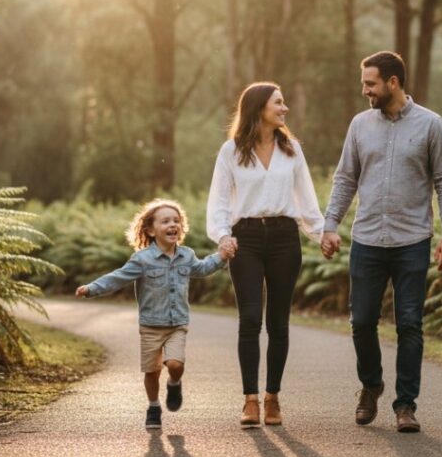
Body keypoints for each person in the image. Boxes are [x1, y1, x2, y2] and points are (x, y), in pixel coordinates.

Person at [321, 51, 442, 434]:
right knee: (361, 321)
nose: (365, 90)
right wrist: (330, 224)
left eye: (370, 84)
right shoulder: (360, 125)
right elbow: (345, 178)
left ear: (393, 82)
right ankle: (371, 384)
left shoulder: (431, 125)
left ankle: (405, 405)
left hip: (412, 240)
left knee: (410, 324)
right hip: (367, 239)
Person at [207, 82, 324, 428]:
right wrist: (223, 236)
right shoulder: (231, 151)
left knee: (278, 322)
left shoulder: (292, 150)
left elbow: (306, 198)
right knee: (250, 319)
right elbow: (219, 202)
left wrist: (321, 235)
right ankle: (250, 400)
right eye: (278, 103)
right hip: (246, 240)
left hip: (285, 237)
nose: (284, 109)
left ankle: (273, 397)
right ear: (259, 108)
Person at [75, 198, 231, 431]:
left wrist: (221, 256)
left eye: (176, 221)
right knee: (151, 371)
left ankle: (174, 383)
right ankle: (154, 406)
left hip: (177, 323)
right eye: (165, 221)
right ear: (150, 230)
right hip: (150, 325)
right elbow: (117, 277)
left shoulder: (187, 256)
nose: (173, 225)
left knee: (175, 363)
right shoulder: (142, 259)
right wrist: (92, 289)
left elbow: (202, 268)